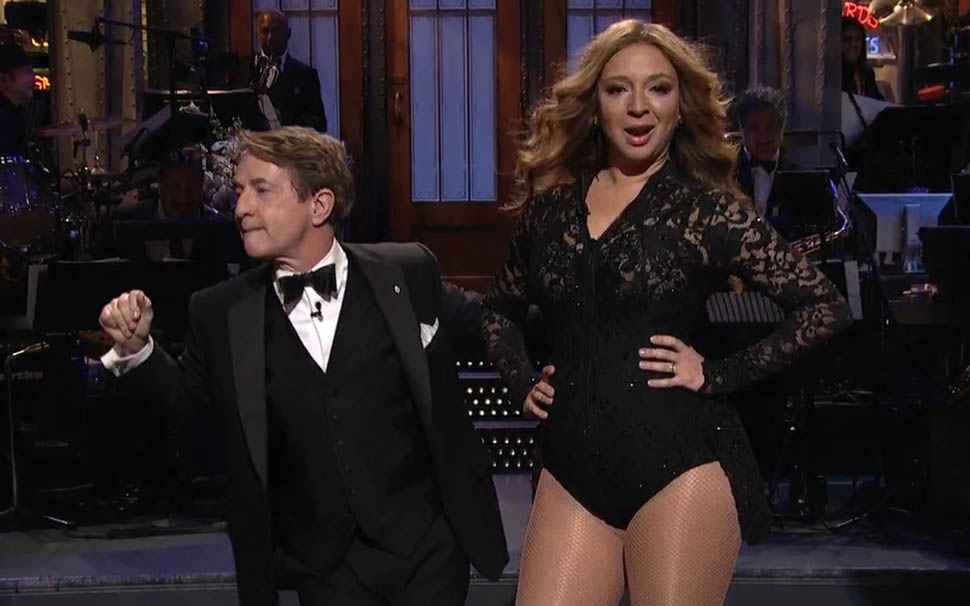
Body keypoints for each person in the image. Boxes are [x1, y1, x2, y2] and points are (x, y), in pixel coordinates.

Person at [482, 20, 853, 606]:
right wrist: (522, 379)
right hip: (573, 473)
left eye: (658, 88)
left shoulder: (706, 212)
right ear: (595, 106)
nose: (639, 106)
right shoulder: (548, 213)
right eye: (618, 89)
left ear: (680, 108)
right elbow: (498, 313)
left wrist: (716, 373)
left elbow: (824, 307)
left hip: (680, 468)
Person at [98, 127, 507, 606]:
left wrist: (544, 370)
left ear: (319, 205)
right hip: (320, 569)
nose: (240, 207)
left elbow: (495, 326)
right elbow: (191, 425)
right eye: (239, 191)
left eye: (261, 190)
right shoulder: (219, 312)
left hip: (427, 556)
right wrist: (138, 352)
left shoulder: (404, 273)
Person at [245, 10, 328, 132]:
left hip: (286, 142)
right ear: (257, 33)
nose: (270, 38)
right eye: (265, 31)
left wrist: (283, 121)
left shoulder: (305, 75)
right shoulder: (244, 69)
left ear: (288, 33)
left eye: (276, 31)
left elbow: (319, 123)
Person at [734, 86, 802, 221]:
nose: (763, 137)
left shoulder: (800, 178)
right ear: (742, 129)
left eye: (770, 127)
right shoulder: (723, 175)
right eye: (754, 128)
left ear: (782, 127)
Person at [0, 43, 34, 157]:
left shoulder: (14, 114)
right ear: (4, 79)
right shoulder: (4, 119)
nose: (33, 79)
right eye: (27, 72)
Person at [842, 17, 884, 100]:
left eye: (857, 39)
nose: (853, 44)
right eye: (847, 39)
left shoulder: (867, 73)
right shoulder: (832, 74)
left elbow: (878, 102)